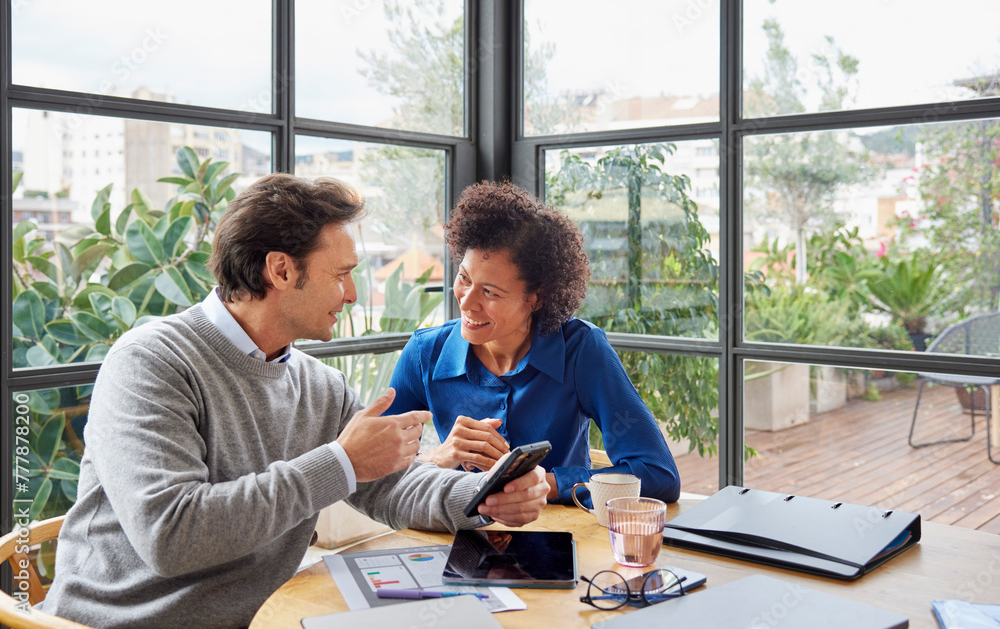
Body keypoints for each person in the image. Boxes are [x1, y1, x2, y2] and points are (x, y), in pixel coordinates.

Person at [42, 174, 548, 629]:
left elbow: (392, 485)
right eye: (341, 274)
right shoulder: (150, 362)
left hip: (266, 619)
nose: (352, 294)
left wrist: (483, 495)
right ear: (281, 270)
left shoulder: (320, 385)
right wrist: (342, 462)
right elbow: (171, 536)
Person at [385, 181, 680, 505]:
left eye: (490, 292)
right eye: (464, 278)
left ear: (536, 299)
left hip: (558, 531)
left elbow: (657, 474)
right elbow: (377, 476)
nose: (466, 302)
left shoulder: (581, 351)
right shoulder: (424, 354)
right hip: (456, 528)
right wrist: (440, 457)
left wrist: (546, 484)